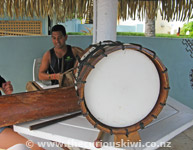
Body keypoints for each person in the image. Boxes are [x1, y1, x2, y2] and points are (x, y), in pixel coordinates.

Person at [0, 75, 44, 150]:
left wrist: (8, 92)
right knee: (38, 147)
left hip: (6, 119)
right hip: (2, 125)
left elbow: (4, 88)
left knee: (54, 143)